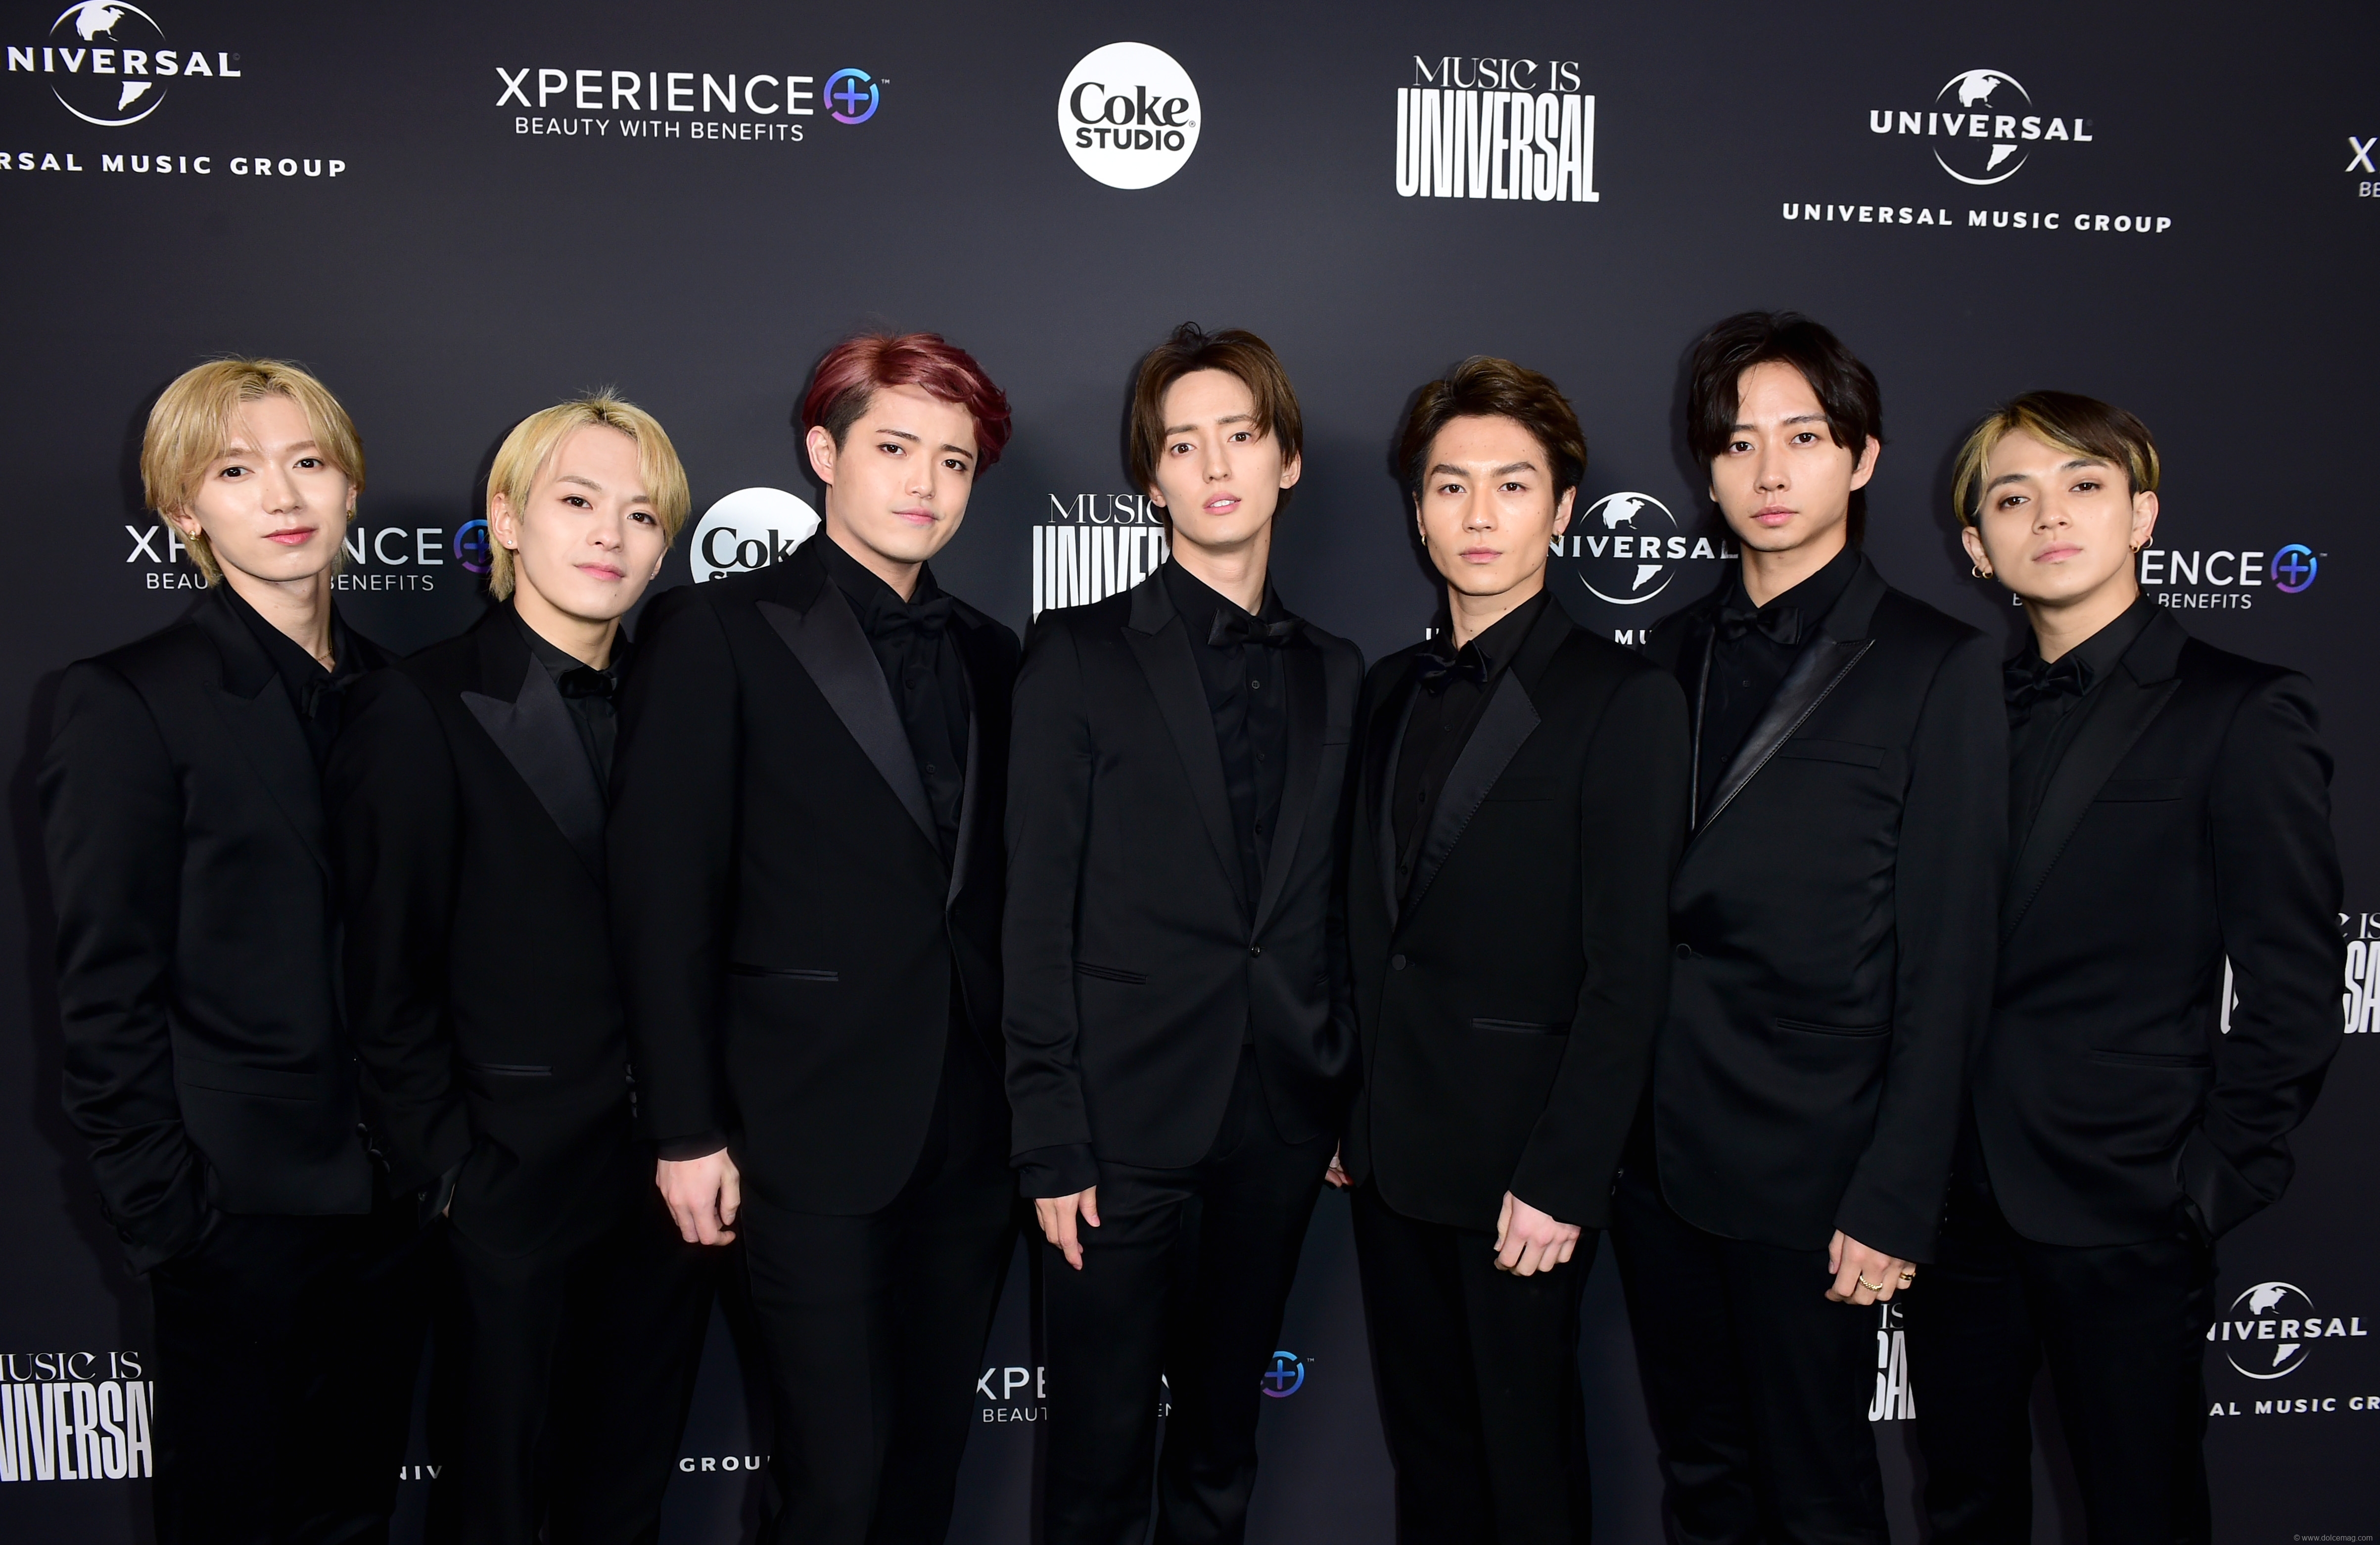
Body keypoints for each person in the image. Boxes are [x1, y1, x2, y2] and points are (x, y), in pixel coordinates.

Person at [1907, 392, 2343, 1545]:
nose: (2050, 515)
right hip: (1950, 1201)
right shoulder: (1948, 712)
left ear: (2143, 515)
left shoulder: (2241, 709)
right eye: (2014, 497)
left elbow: (2297, 983)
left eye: (2084, 484)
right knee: (1962, 1507)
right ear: (1977, 546)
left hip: (2128, 1201)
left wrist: (2208, 1184)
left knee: (2142, 1513)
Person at [608, 333, 1020, 1545]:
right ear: (824, 453)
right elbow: (662, 894)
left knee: (926, 1472)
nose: (925, 483)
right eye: (895, 447)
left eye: (954, 460)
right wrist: (685, 1127)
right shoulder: (713, 627)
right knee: (831, 1485)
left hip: (972, 1135)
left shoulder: (996, 653)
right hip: (798, 1129)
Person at [1616, 312, 2005, 1543]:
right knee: (1702, 1475)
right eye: (1739, 443)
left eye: (1804, 437)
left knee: (1819, 1486)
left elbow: (1950, 956)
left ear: (1863, 456)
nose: (1770, 471)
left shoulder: (1938, 663)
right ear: (1707, 466)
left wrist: (1897, 1191)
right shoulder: (1665, 648)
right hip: (1657, 1154)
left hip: (1820, 1163)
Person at [40, 358, 426, 1544]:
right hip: (232, 1214)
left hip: (394, 1206)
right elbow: (103, 988)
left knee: (357, 1515)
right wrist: (172, 1218)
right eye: (236, 470)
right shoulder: (125, 699)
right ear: (183, 510)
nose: (283, 495)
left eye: (308, 461)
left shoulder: (405, 697)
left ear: (351, 485)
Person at [327, 396, 713, 1543]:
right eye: (578, 500)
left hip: (676, 1183)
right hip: (507, 1184)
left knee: (626, 1500)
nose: (610, 534)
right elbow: (382, 973)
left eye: (642, 514)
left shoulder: (693, 702)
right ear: (505, 519)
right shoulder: (417, 704)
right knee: (491, 1505)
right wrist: (449, 1175)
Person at [1004, 322, 1365, 1545]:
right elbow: (1034, 910)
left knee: (1220, 1455)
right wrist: (1051, 1132)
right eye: (1182, 443)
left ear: (1287, 460)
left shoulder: (1338, 670)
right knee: (1096, 1467)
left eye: (1242, 434)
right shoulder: (1076, 653)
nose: (1215, 464)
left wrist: (1338, 1082)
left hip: (1279, 1124)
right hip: (1115, 1132)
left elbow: (1338, 902)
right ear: (1150, 478)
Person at [1338, 357, 1687, 1543]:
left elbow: (1631, 965)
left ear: (1564, 507)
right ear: (1419, 509)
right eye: (1452, 485)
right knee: (1431, 1460)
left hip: (1521, 1167)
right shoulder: (1387, 687)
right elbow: (1368, 920)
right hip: (1390, 1154)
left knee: (1527, 1464)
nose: (1479, 514)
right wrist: (1350, 1106)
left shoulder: (1622, 697)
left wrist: (1564, 1173)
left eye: (1514, 484)